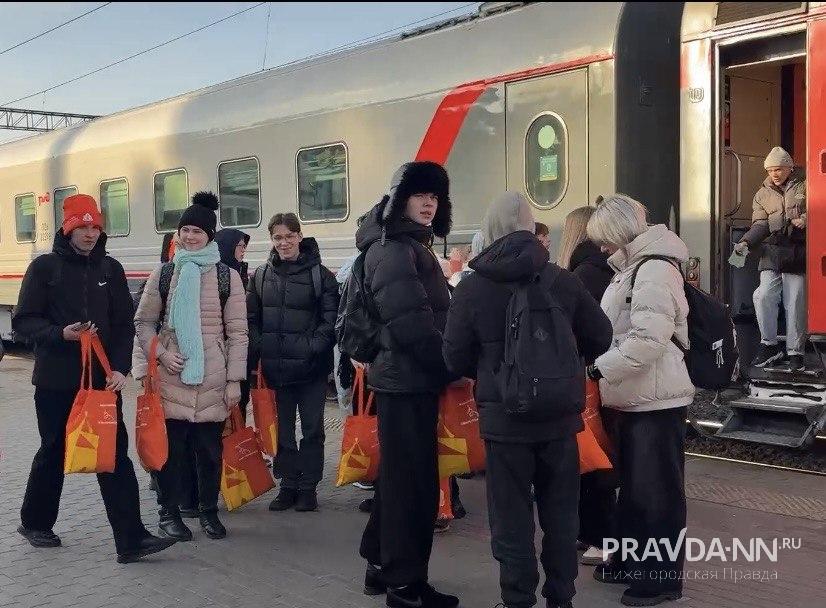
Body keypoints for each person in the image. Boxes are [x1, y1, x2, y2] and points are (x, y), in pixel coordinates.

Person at [443, 191, 612, 608]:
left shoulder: (473, 287)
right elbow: (602, 336)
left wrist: (491, 372)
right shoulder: (562, 280)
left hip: (504, 426)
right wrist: (562, 368)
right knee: (560, 514)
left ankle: (516, 599)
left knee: (511, 518)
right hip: (558, 421)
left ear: (492, 230)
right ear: (532, 228)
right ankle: (561, 597)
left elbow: (453, 357)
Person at [13, 193, 177, 563]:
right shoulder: (45, 268)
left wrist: (120, 368)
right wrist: (61, 334)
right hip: (56, 381)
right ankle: (35, 521)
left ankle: (131, 539)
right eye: (82, 227)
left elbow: (123, 324)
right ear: (67, 228)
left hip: (103, 383)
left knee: (114, 456)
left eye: (95, 227)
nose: (89, 233)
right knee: (54, 450)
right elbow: (24, 321)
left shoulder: (110, 269)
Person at [356, 161, 459, 608]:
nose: (428, 203)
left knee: (401, 481)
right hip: (408, 380)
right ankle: (405, 585)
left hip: (405, 380)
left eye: (435, 197)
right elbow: (414, 325)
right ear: (400, 198)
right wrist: (452, 364)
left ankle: (380, 565)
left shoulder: (405, 245)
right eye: (420, 195)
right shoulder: (396, 250)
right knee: (411, 487)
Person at [586, 194, 694, 606]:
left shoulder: (653, 270)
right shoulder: (633, 268)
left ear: (619, 233)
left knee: (656, 493)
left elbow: (648, 339)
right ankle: (633, 562)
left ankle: (661, 578)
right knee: (635, 490)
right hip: (634, 396)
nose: (600, 249)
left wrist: (601, 368)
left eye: (603, 240)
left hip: (655, 399)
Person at [134, 192, 249, 542]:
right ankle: (168, 515)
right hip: (171, 376)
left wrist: (235, 380)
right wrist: (160, 355)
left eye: (197, 232)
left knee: (210, 454)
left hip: (213, 378)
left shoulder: (228, 277)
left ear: (210, 236)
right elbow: (143, 322)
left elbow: (239, 333)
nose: (189, 237)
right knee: (172, 454)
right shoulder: (166, 273)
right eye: (184, 230)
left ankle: (208, 513)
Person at [248, 212, 339, 513]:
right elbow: (252, 319)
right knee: (282, 431)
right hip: (277, 369)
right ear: (271, 240)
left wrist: (314, 347)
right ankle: (288, 484)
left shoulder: (321, 275)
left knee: (313, 429)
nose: (284, 243)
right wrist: (262, 346)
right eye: (278, 237)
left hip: (311, 369)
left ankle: (308, 487)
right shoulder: (261, 276)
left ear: (300, 236)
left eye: (289, 236)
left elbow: (331, 319)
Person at [557, 205, 617, 567]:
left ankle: (598, 536)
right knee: (600, 455)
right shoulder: (607, 269)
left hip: (590, 375)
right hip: (607, 374)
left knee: (591, 459)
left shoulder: (580, 274)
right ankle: (593, 533)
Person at [733, 146, 807, 370]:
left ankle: (796, 353)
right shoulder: (761, 194)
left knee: (794, 301)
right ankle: (769, 345)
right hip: (771, 251)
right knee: (763, 295)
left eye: (778, 169)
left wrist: (806, 218)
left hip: (797, 251)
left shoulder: (807, 184)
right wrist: (746, 241)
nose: (774, 174)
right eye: (770, 170)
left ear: (789, 168)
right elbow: (761, 225)